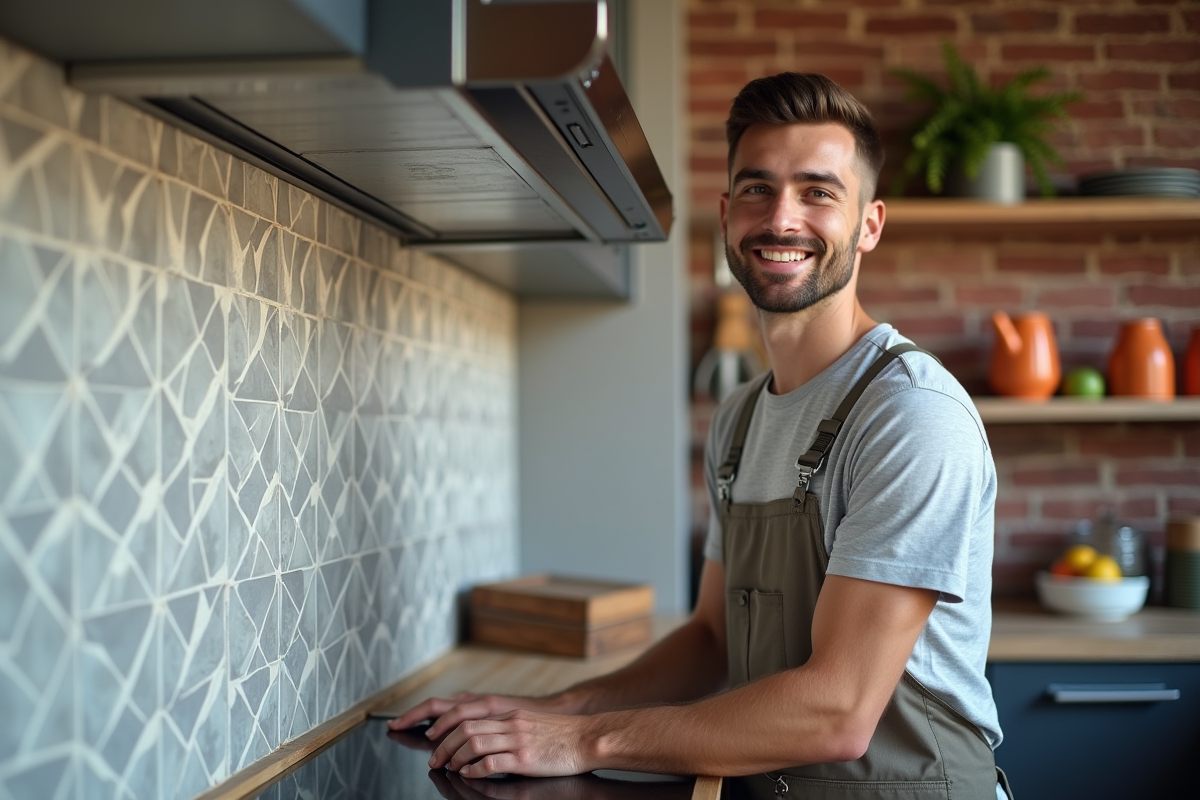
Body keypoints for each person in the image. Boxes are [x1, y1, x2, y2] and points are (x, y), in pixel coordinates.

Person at [388, 72, 1010, 800]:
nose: (781, 219)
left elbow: (838, 712)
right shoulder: (740, 419)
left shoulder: (910, 416)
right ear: (724, 215)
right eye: (757, 189)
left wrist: (584, 740)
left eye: (817, 192)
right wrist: (554, 709)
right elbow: (712, 642)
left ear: (869, 223)